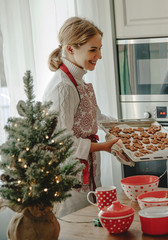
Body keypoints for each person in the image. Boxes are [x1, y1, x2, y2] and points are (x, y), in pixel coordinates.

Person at [43, 17, 119, 217]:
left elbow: (96, 116)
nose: (99, 56)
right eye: (93, 50)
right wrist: (102, 147)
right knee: (77, 228)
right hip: (70, 179)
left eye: (100, 49)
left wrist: (126, 128)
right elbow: (61, 142)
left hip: (87, 171)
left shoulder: (77, 80)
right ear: (70, 49)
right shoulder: (63, 87)